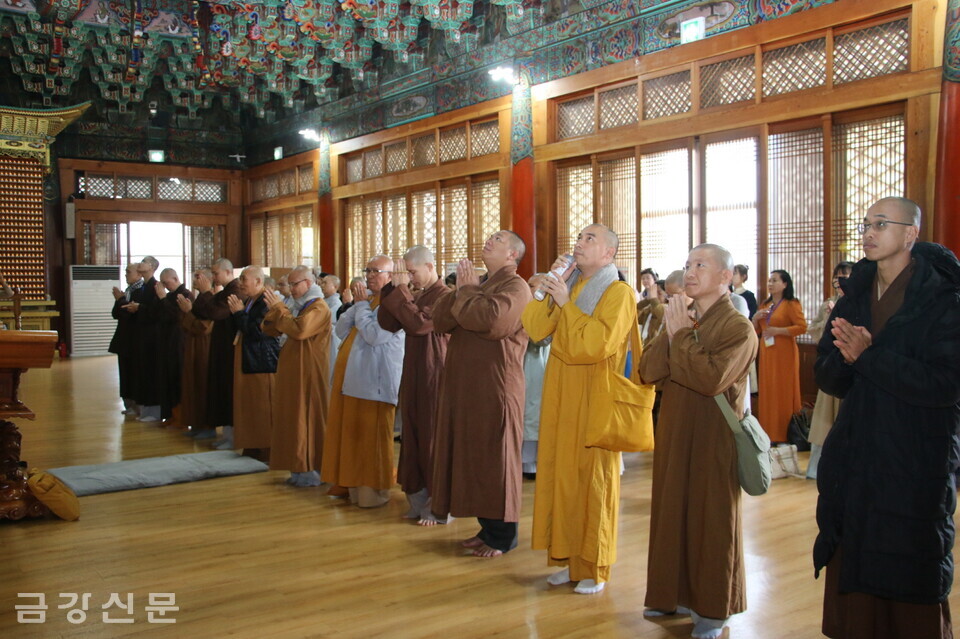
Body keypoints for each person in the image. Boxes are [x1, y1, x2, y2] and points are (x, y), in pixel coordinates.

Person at [814, 197, 960, 639]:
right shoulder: (855, 294)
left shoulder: (943, 298)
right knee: (855, 551)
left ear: (911, 233)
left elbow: (946, 385)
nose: (869, 233)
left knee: (908, 562)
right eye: (865, 224)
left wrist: (868, 356)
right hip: (858, 452)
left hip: (916, 453)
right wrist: (847, 360)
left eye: (881, 224)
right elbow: (828, 375)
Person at [523, 223, 653, 594]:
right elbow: (534, 329)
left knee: (594, 482)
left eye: (588, 239)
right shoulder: (573, 283)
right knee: (562, 478)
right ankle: (568, 558)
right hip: (562, 395)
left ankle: (594, 567)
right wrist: (549, 289)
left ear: (609, 253)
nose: (578, 243)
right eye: (578, 238)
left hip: (595, 397)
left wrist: (565, 303)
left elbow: (594, 345)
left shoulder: (619, 293)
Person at [640, 243, 758, 639]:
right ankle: (672, 593)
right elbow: (648, 371)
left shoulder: (739, 328)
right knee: (672, 510)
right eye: (687, 264)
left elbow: (711, 380)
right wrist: (671, 334)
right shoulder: (681, 317)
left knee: (712, 518)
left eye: (700, 265)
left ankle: (712, 609)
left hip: (713, 436)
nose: (689, 272)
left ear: (725, 277)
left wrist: (681, 338)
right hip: (674, 429)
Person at [431, 230, 531, 557]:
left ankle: (504, 536)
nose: (489, 239)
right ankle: (487, 527)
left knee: (496, 456)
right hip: (467, 386)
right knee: (474, 456)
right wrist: (462, 291)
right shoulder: (482, 284)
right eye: (489, 236)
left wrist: (468, 291)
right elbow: (442, 321)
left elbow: (491, 321)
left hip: (496, 385)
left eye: (499, 239)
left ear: (512, 256)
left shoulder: (516, 287)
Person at [322, 256, 405, 507]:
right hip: (355, 380)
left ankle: (374, 494)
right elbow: (341, 329)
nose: (369, 275)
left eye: (375, 271)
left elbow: (373, 335)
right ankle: (353, 487)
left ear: (391, 275)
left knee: (373, 441)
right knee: (353, 438)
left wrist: (360, 306)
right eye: (367, 270)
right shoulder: (369, 300)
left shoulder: (395, 302)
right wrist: (358, 305)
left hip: (375, 383)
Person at [377, 245, 451, 525]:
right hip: (413, 373)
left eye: (412, 272)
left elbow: (419, 325)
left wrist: (401, 293)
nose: (409, 278)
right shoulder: (415, 294)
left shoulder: (445, 296)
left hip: (436, 373)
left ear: (431, 267)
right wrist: (389, 291)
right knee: (412, 436)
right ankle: (417, 500)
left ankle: (439, 505)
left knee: (433, 438)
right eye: (405, 273)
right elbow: (388, 323)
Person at [263, 266, 331, 487]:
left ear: (308, 284)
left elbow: (300, 330)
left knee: (306, 419)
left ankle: (311, 469)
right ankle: (296, 467)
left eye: (295, 284)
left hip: (308, 373)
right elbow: (270, 329)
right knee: (292, 419)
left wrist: (280, 308)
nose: (291, 289)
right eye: (289, 284)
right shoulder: (296, 305)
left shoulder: (319, 307)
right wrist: (275, 310)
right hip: (292, 372)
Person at [805, 261, 853, 479]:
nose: (839, 280)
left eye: (845, 275)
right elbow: (814, 331)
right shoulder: (828, 303)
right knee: (824, 422)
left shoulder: (858, 302)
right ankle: (817, 470)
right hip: (831, 367)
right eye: (837, 276)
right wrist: (827, 318)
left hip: (851, 368)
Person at [226, 266, 280, 459]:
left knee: (262, 406)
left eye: (243, 279)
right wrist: (239, 312)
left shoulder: (266, 302)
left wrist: (239, 313)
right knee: (249, 405)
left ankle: (266, 447)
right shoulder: (251, 300)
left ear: (258, 281)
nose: (240, 283)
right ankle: (252, 444)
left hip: (261, 361)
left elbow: (259, 332)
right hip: (249, 358)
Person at [188, 258, 240, 447]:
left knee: (228, 391)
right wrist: (204, 294)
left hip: (230, 348)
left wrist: (205, 292)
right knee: (220, 390)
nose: (214, 276)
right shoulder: (224, 291)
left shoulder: (236, 290)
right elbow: (202, 312)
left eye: (216, 273)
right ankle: (226, 436)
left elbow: (218, 313)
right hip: (220, 346)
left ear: (228, 272)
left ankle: (232, 438)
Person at [752, 269, 806, 442]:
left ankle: (784, 433)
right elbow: (756, 330)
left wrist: (779, 331)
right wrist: (754, 318)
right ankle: (768, 432)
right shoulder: (765, 305)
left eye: (774, 280)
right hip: (767, 352)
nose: (770, 283)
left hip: (784, 353)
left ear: (785, 284)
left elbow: (801, 327)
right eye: (769, 280)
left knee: (782, 390)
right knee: (768, 391)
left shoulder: (791, 304)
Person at [521, 274, 551, 479]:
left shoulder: (549, 307)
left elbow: (542, 338)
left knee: (534, 412)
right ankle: (525, 464)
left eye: (532, 285)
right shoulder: (525, 305)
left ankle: (533, 464)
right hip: (522, 366)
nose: (528, 288)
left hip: (539, 366)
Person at [152, 268, 190, 422]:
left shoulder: (185, 295)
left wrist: (163, 298)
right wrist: (161, 297)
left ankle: (179, 417)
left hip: (178, 342)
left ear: (175, 278)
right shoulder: (169, 296)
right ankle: (170, 416)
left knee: (176, 378)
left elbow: (177, 317)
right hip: (166, 341)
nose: (165, 286)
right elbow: (158, 315)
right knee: (167, 378)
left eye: (166, 283)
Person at [177, 269, 211, 436]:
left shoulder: (210, 299)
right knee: (193, 385)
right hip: (193, 347)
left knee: (202, 385)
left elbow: (204, 327)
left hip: (204, 348)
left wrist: (188, 312)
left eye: (198, 278)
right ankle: (195, 424)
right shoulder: (199, 298)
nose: (195, 281)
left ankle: (205, 427)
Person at [130, 256, 162, 422]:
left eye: (143, 261)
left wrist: (139, 307)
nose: (140, 264)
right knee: (142, 371)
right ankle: (145, 410)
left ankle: (154, 412)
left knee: (151, 371)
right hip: (142, 334)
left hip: (152, 335)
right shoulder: (143, 287)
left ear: (151, 267)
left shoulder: (155, 286)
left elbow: (157, 311)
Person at [109, 263, 144, 416]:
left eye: (129, 272)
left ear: (139, 274)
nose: (126, 274)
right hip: (124, 339)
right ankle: (128, 403)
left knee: (134, 373)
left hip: (135, 339)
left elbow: (130, 313)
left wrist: (121, 299)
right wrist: (120, 300)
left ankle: (136, 405)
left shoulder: (141, 290)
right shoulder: (129, 290)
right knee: (124, 373)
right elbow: (116, 314)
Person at [321, 274, 343, 381]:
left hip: (331, 340)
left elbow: (325, 320)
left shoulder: (337, 303)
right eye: (322, 282)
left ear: (335, 286)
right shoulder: (322, 301)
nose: (322, 285)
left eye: (325, 283)